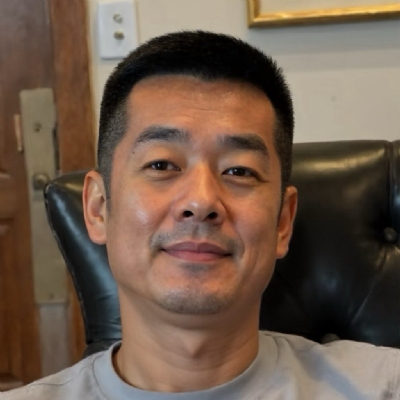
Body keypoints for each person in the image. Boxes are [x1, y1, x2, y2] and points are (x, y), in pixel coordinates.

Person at [3, 31, 400, 400]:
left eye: (239, 171)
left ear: (283, 221)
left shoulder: (382, 385)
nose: (201, 200)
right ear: (98, 207)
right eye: (162, 165)